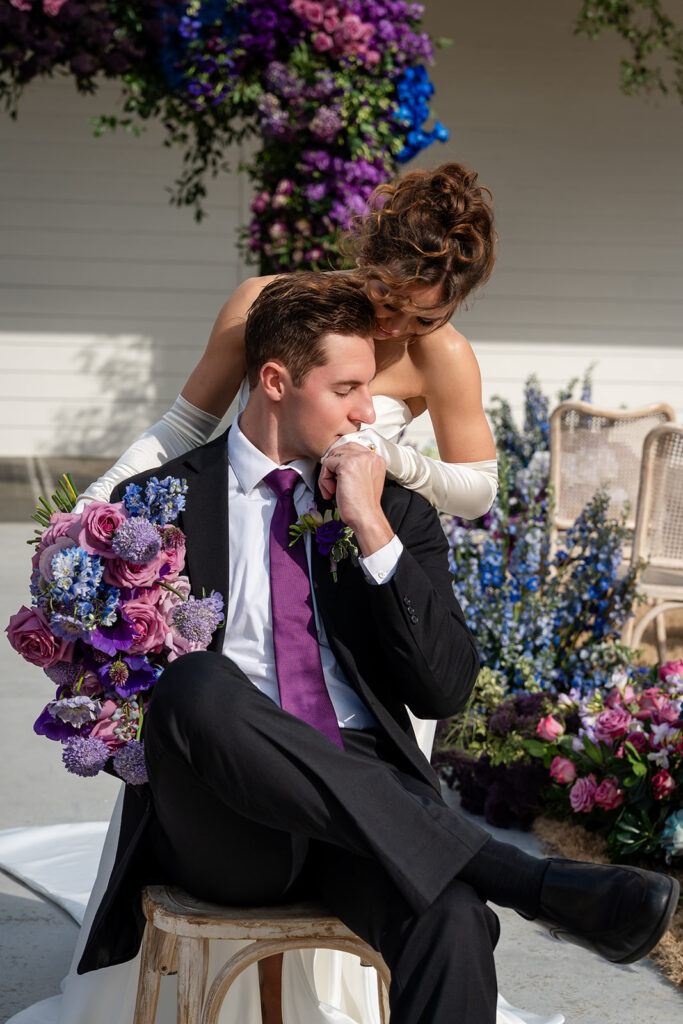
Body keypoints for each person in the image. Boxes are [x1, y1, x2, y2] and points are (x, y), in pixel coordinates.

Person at [75, 274, 677, 1024]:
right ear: (275, 381)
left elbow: (444, 691)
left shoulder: (393, 508)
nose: (369, 411)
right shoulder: (160, 506)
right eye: (347, 389)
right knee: (196, 684)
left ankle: (487, 878)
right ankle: (524, 881)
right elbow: (116, 688)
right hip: (229, 819)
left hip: (367, 800)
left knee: (452, 920)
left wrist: (371, 530)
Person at [77, 162, 499, 521]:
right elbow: (183, 429)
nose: (397, 326)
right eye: (387, 298)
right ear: (368, 258)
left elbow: (478, 492)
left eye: (425, 318)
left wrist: (388, 455)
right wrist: (96, 506)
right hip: (238, 525)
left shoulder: (443, 355)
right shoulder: (262, 302)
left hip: (346, 552)